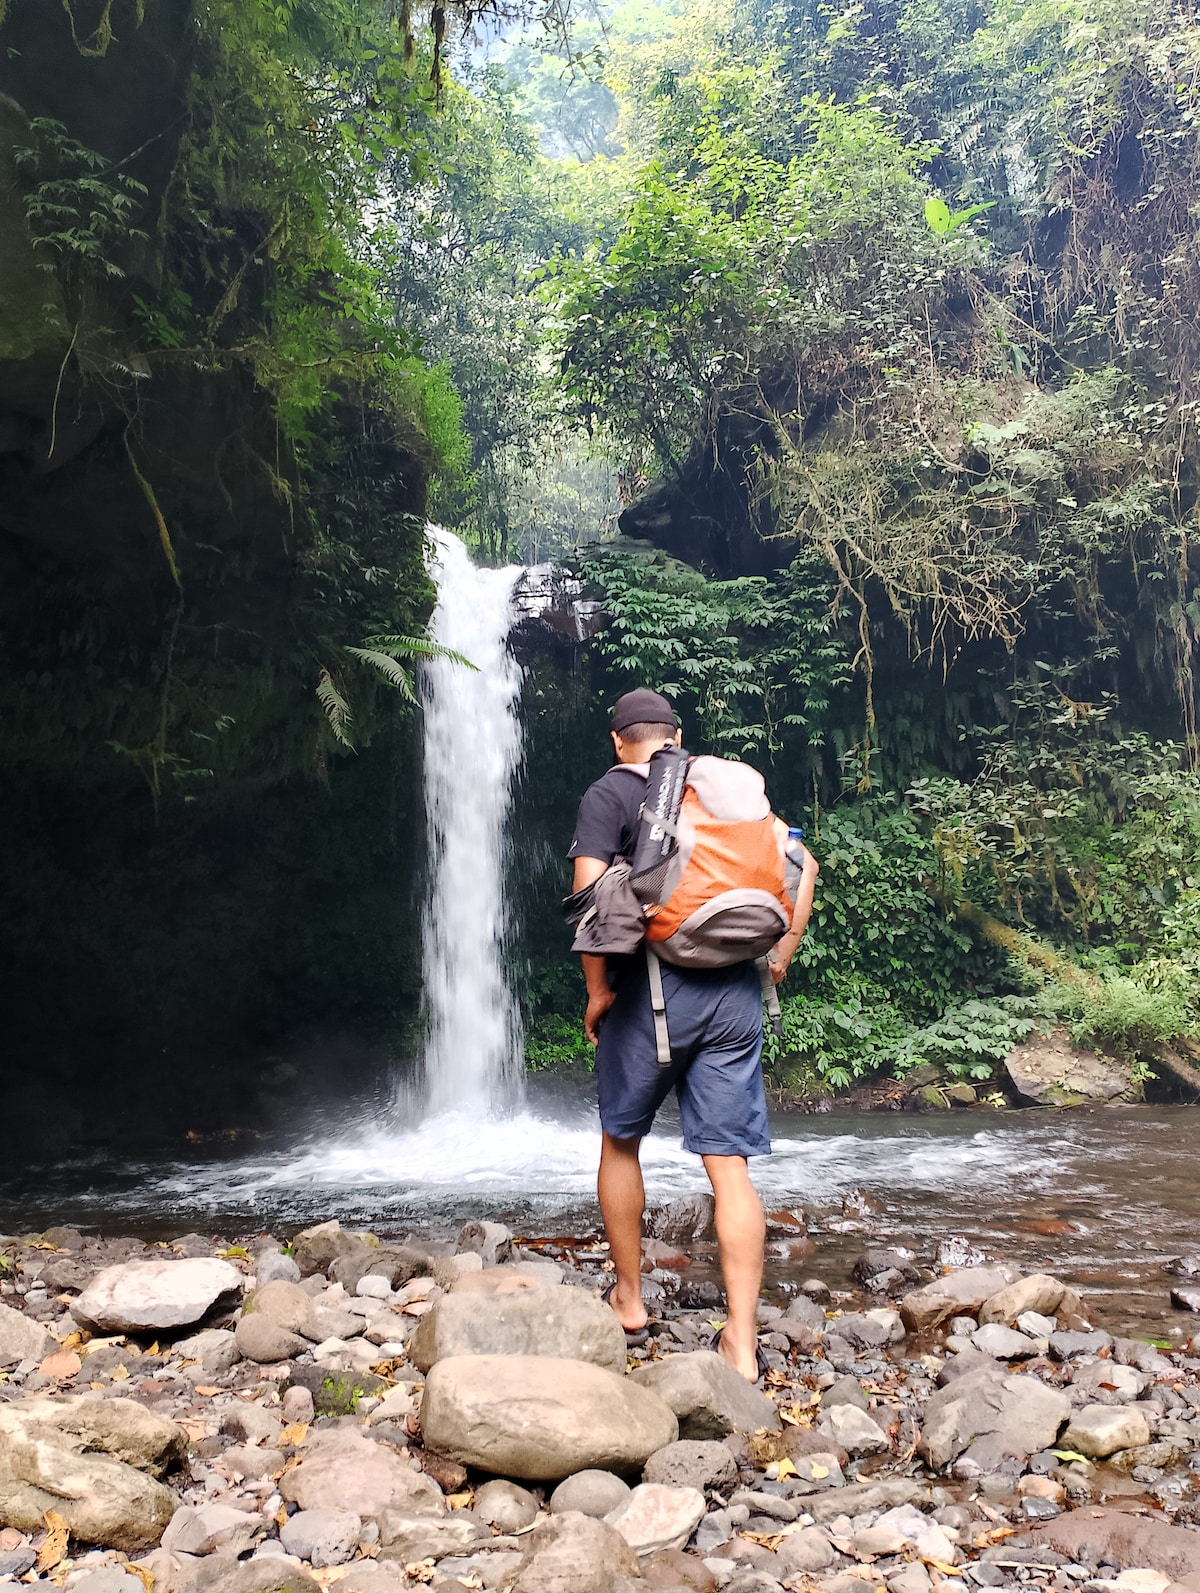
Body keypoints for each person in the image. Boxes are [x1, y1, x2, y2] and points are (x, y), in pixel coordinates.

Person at [569, 687, 819, 1382]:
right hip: (738, 992)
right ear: (676, 735)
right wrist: (781, 954)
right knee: (729, 1166)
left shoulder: (613, 792)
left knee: (621, 1140)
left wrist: (596, 992)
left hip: (649, 991)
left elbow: (591, 900)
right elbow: (803, 865)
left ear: (619, 740)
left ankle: (630, 1299)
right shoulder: (719, 789)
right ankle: (740, 1338)